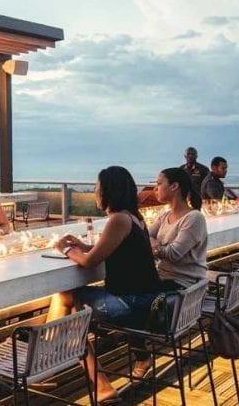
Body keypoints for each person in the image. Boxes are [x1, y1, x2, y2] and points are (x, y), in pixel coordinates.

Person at [52, 166, 164, 401]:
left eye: (97, 187)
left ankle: (96, 381)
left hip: (130, 304)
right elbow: (111, 250)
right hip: (147, 299)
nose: (94, 192)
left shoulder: (119, 219)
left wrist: (66, 248)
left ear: (108, 191)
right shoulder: (133, 217)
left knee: (67, 308)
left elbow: (90, 262)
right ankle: (52, 349)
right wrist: (83, 246)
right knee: (69, 311)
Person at [149, 167, 208, 290]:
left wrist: (154, 245)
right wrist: (156, 245)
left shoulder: (194, 218)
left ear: (174, 186)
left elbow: (173, 254)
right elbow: (144, 236)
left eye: (159, 184)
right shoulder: (165, 216)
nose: (155, 189)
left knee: (127, 301)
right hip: (162, 279)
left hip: (183, 287)